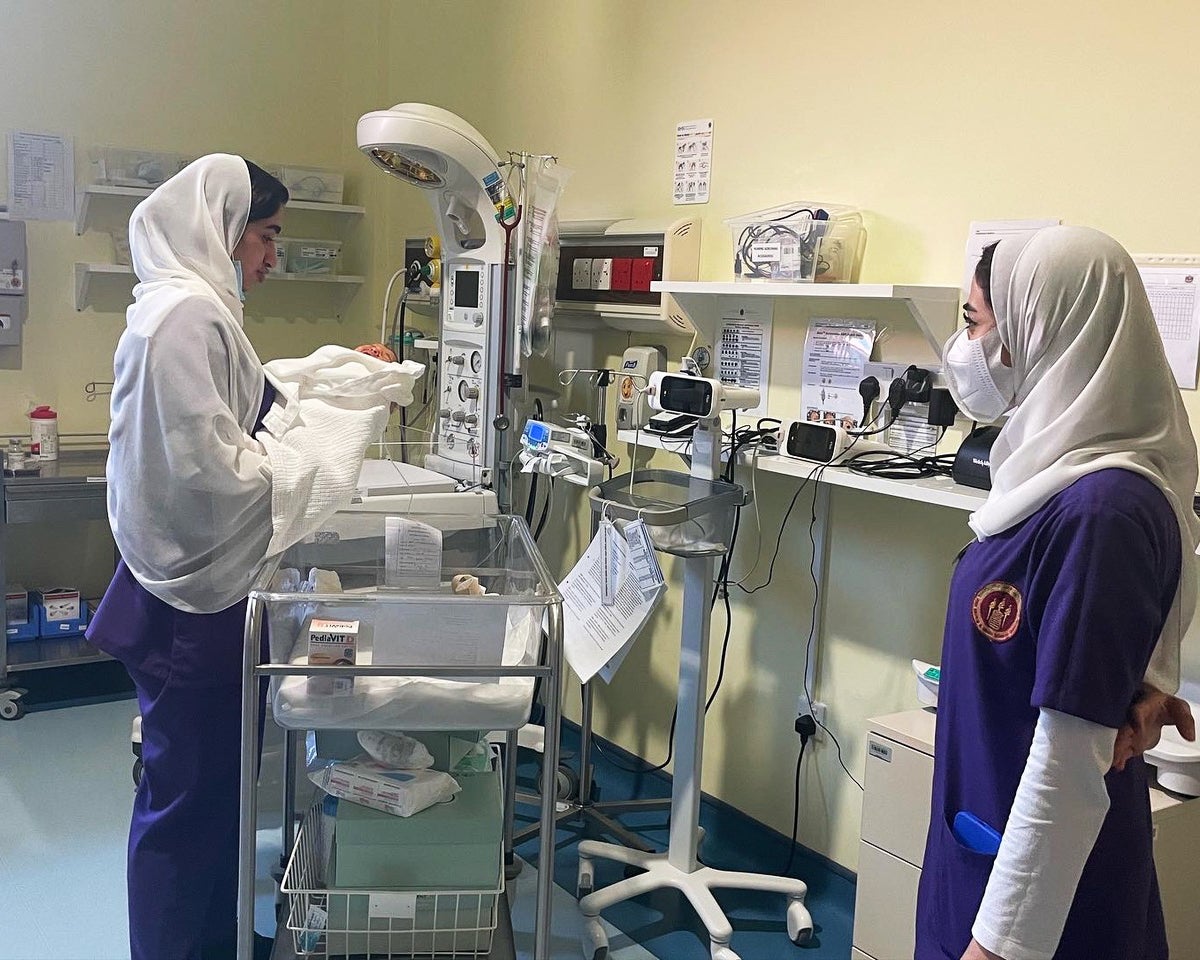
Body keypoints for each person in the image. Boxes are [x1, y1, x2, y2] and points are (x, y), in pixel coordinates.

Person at [86, 154, 403, 960]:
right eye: (265, 236)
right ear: (220, 227)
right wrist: (311, 462)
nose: (272, 256)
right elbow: (206, 473)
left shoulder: (196, 312)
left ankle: (216, 938)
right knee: (185, 804)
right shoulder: (182, 320)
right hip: (187, 607)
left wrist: (343, 377)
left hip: (194, 601)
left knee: (216, 798)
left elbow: (257, 401)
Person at [916, 226, 1199, 960]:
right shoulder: (1056, 480)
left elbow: (1069, 764)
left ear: (1039, 328)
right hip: (990, 834)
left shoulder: (1101, 510)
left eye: (976, 323)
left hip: (1043, 910)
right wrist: (1144, 680)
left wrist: (999, 946)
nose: (967, 349)